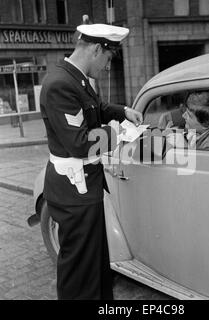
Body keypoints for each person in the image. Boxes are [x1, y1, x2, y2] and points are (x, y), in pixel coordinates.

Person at [40, 23, 143, 300]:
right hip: (74, 189)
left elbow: (95, 109)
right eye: (108, 58)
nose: (108, 67)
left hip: (86, 186)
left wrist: (121, 112)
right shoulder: (60, 84)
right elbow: (80, 143)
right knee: (80, 270)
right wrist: (118, 133)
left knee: (96, 263)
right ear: (97, 49)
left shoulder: (78, 78)